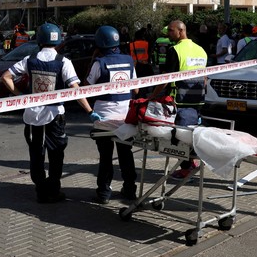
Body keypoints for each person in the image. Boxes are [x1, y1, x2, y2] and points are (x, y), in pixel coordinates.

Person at [1, 23, 94, 203]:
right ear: (58, 40)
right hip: (55, 115)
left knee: (36, 153)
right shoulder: (63, 62)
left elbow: (6, 76)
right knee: (56, 153)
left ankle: (41, 190)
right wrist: (89, 111)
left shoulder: (29, 59)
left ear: (40, 39)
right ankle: (53, 190)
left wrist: (21, 96)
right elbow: (76, 90)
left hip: (32, 115)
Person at [149, 20, 208, 180]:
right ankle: (191, 163)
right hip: (197, 101)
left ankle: (186, 168)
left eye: (170, 31)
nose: (168, 34)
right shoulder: (201, 50)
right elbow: (204, 78)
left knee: (177, 137)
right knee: (191, 133)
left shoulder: (175, 50)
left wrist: (152, 96)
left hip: (178, 102)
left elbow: (166, 79)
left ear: (181, 31)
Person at [88, 25, 138, 204]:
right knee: (126, 153)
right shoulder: (129, 60)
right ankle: (130, 190)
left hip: (103, 118)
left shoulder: (99, 63)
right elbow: (136, 87)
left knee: (105, 156)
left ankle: (103, 193)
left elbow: (88, 88)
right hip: (125, 117)